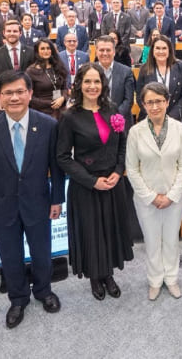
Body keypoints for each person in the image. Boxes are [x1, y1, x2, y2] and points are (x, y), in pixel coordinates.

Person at [0, 70, 63, 328]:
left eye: (20, 91)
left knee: (42, 252)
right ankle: (18, 298)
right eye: (8, 93)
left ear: (30, 94)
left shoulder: (48, 125)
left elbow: (56, 168)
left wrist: (57, 199)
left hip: (39, 203)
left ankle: (44, 291)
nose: (14, 97)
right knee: (10, 256)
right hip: (2, 206)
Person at [56, 63, 133, 300]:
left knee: (110, 230)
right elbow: (62, 157)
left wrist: (119, 171)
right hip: (87, 187)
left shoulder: (112, 110)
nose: (92, 86)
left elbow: (122, 146)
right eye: (87, 81)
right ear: (79, 84)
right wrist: (91, 181)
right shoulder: (70, 116)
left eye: (97, 81)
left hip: (112, 183)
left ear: (103, 84)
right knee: (92, 233)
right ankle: (95, 277)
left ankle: (108, 274)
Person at [125, 83, 182, 301]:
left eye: (159, 101)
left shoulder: (180, 129)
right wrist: (151, 196)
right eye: (150, 102)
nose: (155, 106)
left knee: (171, 239)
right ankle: (155, 280)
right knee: (152, 240)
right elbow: (132, 169)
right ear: (143, 105)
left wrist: (172, 195)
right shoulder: (135, 132)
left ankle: (171, 278)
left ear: (167, 101)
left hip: (175, 197)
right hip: (147, 199)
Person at [136, 35, 182, 123]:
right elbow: (139, 95)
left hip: (176, 118)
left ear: (169, 51)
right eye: (157, 48)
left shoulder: (180, 67)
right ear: (152, 51)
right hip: (150, 116)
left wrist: (171, 116)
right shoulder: (144, 69)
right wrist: (153, 113)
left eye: (164, 48)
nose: (161, 51)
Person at [94, 35, 135, 128]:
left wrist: (114, 118)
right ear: (96, 52)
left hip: (120, 123)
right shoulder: (88, 71)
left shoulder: (126, 71)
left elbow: (128, 100)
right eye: (101, 50)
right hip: (95, 123)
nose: (105, 53)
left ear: (114, 52)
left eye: (108, 50)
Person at [26, 39, 68, 120]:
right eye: (42, 49)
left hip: (61, 110)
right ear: (37, 51)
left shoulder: (58, 66)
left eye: (48, 48)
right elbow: (30, 97)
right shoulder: (31, 71)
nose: (46, 51)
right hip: (42, 112)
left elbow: (64, 88)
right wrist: (51, 103)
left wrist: (63, 98)